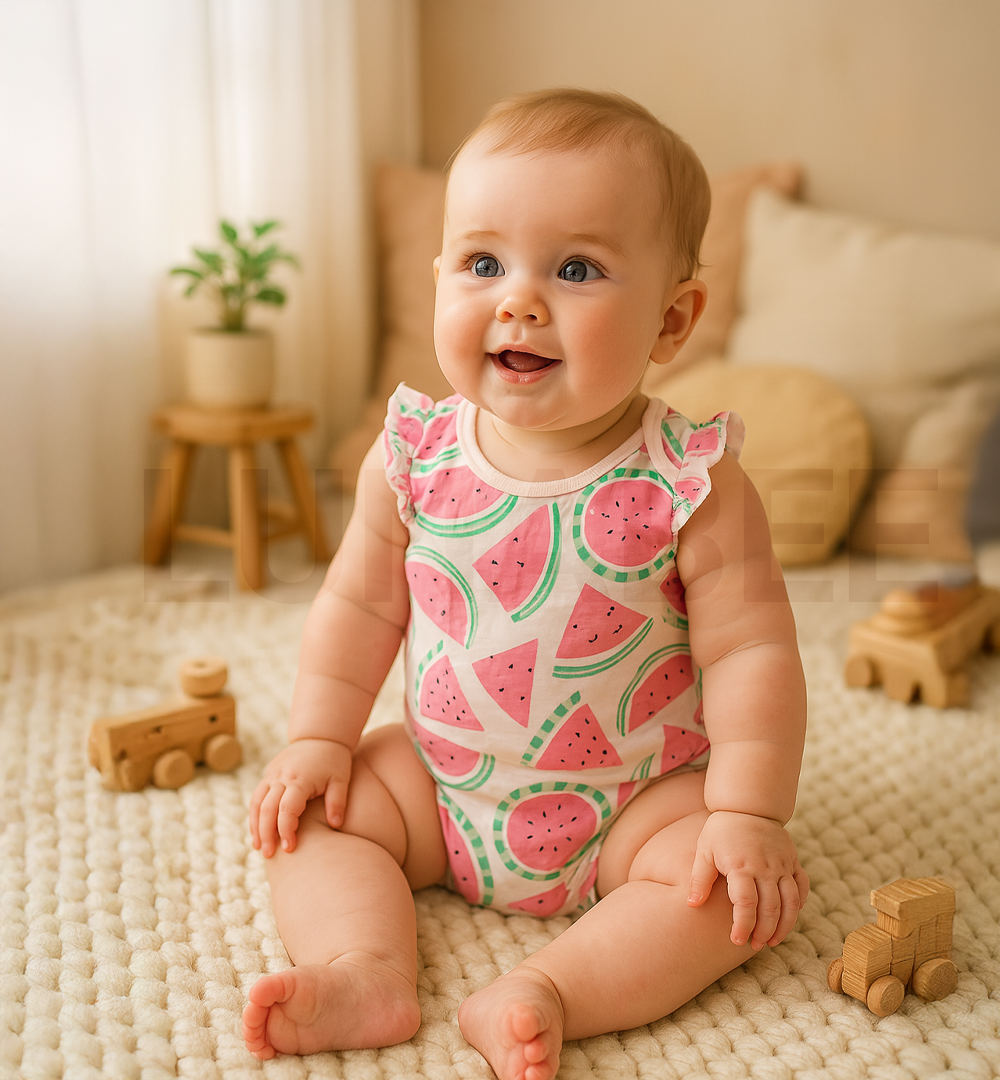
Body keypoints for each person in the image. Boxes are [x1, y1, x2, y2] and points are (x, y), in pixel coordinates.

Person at [243, 87, 808, 1080]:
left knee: (729, 898)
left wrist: (746, 812)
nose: (519, 299)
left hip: (637, 802)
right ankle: (365, 967)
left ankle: (549, 990)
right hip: (442, 784)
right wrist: (319, 741)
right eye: (483, 262)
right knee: (310, 820)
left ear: (673, 319)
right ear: (440, 280)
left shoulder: (692, 481)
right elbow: (360, 607)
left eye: (577, 269)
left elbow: (752, 648)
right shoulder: (413, 455)